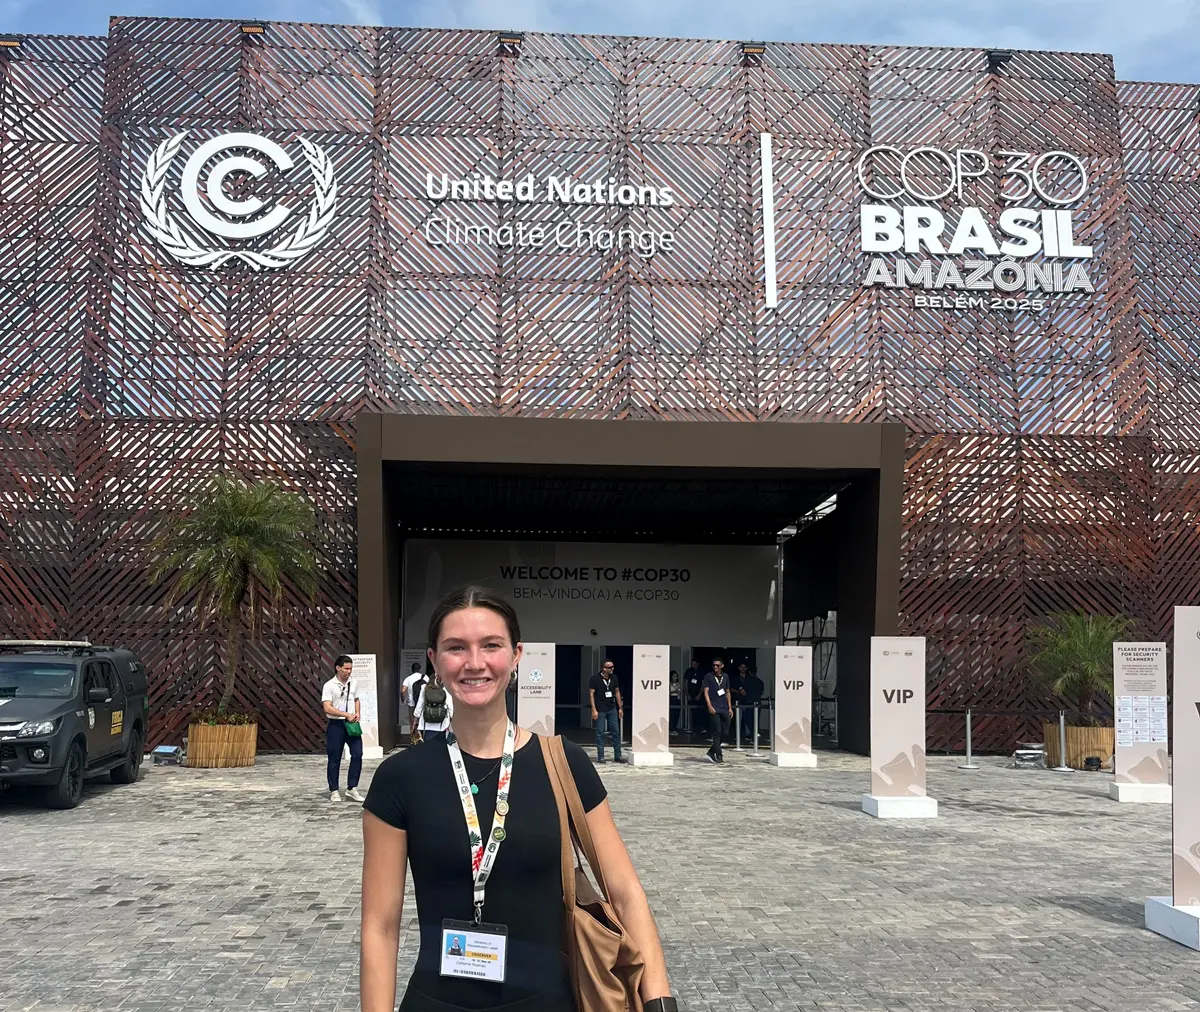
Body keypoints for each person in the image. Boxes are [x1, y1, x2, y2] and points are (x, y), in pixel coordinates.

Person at [361, 586, 676, 1012]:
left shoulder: (564, 763)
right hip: (436, 1001)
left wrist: (658, 999)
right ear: (435, 661)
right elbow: (380, 926)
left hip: (549, 1002)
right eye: (456, 648)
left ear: (515, 655)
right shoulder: (399, 778)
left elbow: (623, 889)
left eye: (491, 645)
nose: (475, 663)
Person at [321, 654, 364, 803]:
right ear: (338, 668)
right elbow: (327, 708)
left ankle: (352, 787)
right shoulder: (329, 685)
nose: (349, 672)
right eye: (346, 668)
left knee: (357, 754)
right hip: (336, 724)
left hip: (352, 723)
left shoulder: (354, 683)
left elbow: (356, 699)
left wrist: (357, 712)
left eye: (351, 669)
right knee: (334, 757)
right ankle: (334, 789)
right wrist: (345, 714)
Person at [588, 658, 624, 763]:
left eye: (613, 667)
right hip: (600, 708)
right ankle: (601, 756)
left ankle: (618, 755)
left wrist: (620, 707)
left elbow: (617, 692)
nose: (612, 669)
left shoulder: (614, 678)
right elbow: (591, 694)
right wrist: (594, 710)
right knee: (600, 732)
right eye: (610, 667)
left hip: (611, 707)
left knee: (616, 732)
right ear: (604, 668)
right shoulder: (595, 678)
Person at [702, 657, 732, 764]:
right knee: (717, 731)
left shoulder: (726, 677)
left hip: (723, 707)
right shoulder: (708, 676)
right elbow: (706, 691)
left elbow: (727, 692)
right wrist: (709, 706)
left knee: (726, 731)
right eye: (714, 665)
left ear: (722, 666)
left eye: (717, 665)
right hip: (714, 707)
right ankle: (718, 754)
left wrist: (730, 707)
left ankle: (711, 750)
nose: (715, 667)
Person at [414, 674, 454, 744]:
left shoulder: (425, 688)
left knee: (428, 746)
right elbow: (450, 706)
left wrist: (415, 719)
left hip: (427, 723)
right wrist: (452, 717)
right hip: (442, 724)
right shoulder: (446, 689)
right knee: (441, 746)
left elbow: (420, 705)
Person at [741, 666, 764, 743]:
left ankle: (752, 736)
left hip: (749, 703)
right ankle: (755, 736)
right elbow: (762, 692)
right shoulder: (760, 681)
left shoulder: (747, 680)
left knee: (748, 720)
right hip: (758, 702)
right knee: (756, 720)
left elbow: (743, 692)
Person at [403, 662, 426, 740]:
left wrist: (403, 699)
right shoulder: (425, 677)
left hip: (412, 703)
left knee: (412, 723)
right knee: (423, 722)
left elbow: (403, 690)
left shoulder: (408, 678)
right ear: (419, 669)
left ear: (412, 669)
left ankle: (414, 740)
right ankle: (423, 739)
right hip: (424, 704)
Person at [684, 658, 706, 738]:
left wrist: (700, 694)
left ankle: (700, 727)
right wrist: (687, 694)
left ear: (697, 664)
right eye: (692, 664)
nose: (693, 665)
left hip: (699, 695)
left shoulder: (701, 672)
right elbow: (686, 682)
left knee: (700, 711)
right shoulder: (688, 671)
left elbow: (703, 684)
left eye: (694, 664)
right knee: (692, 711)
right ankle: (692, 727)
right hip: (691, 694)